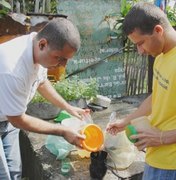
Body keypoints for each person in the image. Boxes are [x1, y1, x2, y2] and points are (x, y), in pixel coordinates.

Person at [0, 18, 88, 180]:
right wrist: (62, 131)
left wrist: (68, 107)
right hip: (11, 117)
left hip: (7, 118)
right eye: (59, 58)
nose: (62, 65)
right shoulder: (12, 68)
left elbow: (41, 82)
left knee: (15, 173)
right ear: (42, 44)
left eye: (66, 60)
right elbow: (18, 120)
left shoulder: (36, 49)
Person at [106, 2, 176, 180]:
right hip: (155, 157)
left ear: (158, 30)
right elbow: (157, 98)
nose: (140, 51)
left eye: (141, 43)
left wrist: (162, 137)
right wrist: (126, 121)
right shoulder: (161, 57)